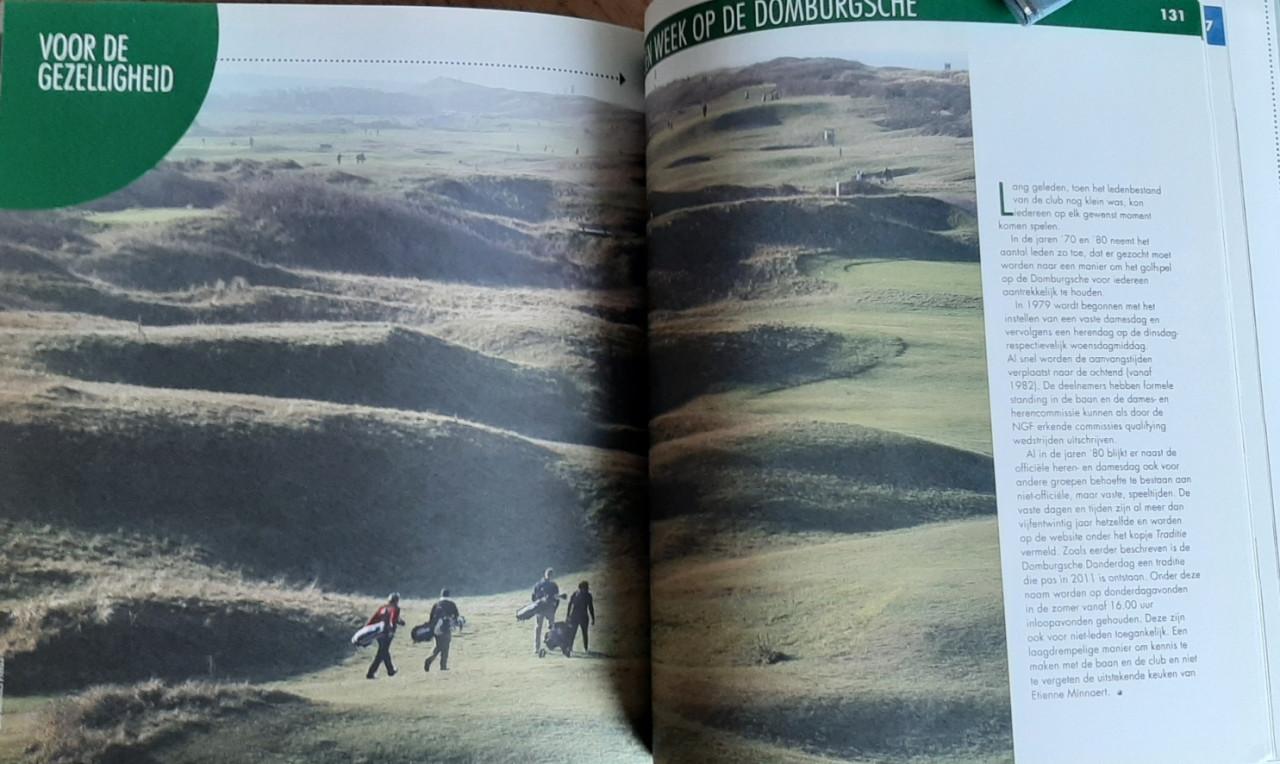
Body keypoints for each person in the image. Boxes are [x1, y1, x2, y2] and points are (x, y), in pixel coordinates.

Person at [366, 592, 405, 679]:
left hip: (378, 632)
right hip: (387, 633)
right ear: (396, 601)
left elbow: (374, 618)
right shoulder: (396, 608)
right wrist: (392, 629)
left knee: (382, 651)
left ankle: (388, 670)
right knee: (383, 652)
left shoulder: (383, 608)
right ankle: (380, 672)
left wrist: (367, 628)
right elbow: (393, 619)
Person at [424, 588, 461, 672]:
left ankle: (431, 660)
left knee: (438, 646)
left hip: (436, 629)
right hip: (446, 628)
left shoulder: (436, 604)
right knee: (445, 648)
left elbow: (431, 618)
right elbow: (456, 616)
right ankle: (441, 665)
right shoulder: (451, 604)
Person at [532, 567, 560, 654]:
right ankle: (538, 647)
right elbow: (533, 597)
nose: (549, 576)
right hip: (543, 609)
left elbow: (557, 598)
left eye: (550, 575)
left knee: (549, 628)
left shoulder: (551, 585)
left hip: (546, 609)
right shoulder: (541, 585)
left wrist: (554, 608)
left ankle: (548, 645)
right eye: (549, 574)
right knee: (540, 628)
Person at [566, 580, 596, 655]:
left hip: (578, 616)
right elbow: (570, 605)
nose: (586, 589)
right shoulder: (586, 595)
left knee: (578, 633)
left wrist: (568, 616)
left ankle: (578, 648)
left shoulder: (577, 594)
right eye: (585, 588)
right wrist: (568, 616)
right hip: (579, 617)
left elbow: (590, 607)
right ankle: (571, 648)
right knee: (575, 633)